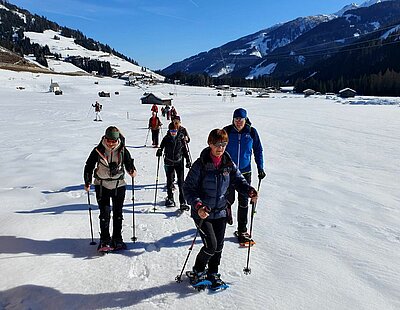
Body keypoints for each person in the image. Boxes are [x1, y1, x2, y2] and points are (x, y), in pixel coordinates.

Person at [183, 128, 258, 289]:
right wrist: (198, 205)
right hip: (203, 213)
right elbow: (188, 188)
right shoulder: (200, 164)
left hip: (222, 212)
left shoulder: (228, 164)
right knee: (211, 245)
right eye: (217, 144)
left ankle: (213, 273)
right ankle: (197, 271)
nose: (221, 148)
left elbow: (239, 181)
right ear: (210, 143)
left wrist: (249, 190)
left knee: (219, 246)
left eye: (224, 144)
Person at [83, 126, 137, 250]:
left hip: (119, 185)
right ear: (105, 138)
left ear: (117, 140)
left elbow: (129, 163)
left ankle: (117, 238)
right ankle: (105, 240)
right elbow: (89, 165)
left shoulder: (123, 150)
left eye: (113, 141)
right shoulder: (98, 150)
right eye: (108, 140)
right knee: (104, 214)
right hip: (102, 185)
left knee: (118, 213)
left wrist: (131, 170)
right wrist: (87, 181)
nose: (111, 143)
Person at [223, 108, 265, 244]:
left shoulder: (251, 132)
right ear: (233, 119)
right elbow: (219, 149)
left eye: (241, 119)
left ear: (245, 119)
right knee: (227, 199)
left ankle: (242, 230)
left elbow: (258, 150)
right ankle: (224, 216)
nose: (238, 122)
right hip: (229, 172)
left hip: (245, 172)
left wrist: (260, 167)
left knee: (244, 202)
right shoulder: (227, 131)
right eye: (236, 119)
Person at [157, 123, 191, 210]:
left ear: (177, 130)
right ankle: (170, 198)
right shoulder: (166, 138)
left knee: (181, 183)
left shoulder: (181, 138)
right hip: (169, 162)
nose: (173, 132)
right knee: (169, 181)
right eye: (172, 131)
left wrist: (187, 160)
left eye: (175, 130)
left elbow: (185, 150)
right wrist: (160, 151)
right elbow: (161, 146)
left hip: (179, 162)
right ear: (169, 130)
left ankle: (182, 201)